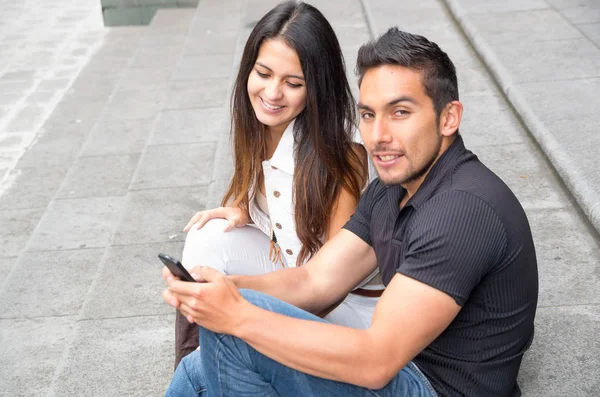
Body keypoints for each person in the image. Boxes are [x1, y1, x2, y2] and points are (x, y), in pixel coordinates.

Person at [162, 27, 539, 396]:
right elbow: (315, 282)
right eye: (369, 115)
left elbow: (376, 362)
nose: (378, 136)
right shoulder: (391, 191)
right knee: (200, 366)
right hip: (402, 366)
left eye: (400, 112)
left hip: (429, 385)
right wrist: (224, 289)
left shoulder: (461, 211)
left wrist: (239, 315)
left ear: (448, 117)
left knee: (238, 336)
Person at [173, 1, 384, 368]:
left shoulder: (341, 151)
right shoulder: (258, 125)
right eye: (263, 73)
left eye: (292, 83)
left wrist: (243, 302)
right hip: (294, 273)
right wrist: (246, 210)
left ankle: (205, 371)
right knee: (207, 234)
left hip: (346, 309)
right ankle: (197, 369)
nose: (272, 93)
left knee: (227, 307)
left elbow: (330, 281)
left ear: (316, 87)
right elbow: (280, 204)